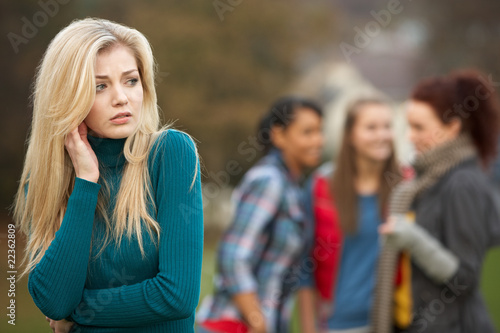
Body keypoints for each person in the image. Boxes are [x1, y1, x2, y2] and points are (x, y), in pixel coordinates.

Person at [13, 18, 203, 333]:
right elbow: (55, 302)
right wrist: (86, 181)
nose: (121, 98)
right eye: (100, 86)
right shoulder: (46, 180)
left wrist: (78, 313)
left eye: (130, 80)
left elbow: (177, 296)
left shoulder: (170, 153)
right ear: (68, 95)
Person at [374, 69, 500, 333]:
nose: (409, 136)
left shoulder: (463, 184)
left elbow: (464, 279)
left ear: (452, 128)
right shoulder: (425, 181)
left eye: (419, 127)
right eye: (409, 126)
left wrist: (412, 239)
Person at [196, 97, 324, 333]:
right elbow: (232, 255)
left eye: (320, 131)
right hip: (234, 324)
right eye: (308, 132)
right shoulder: (269, 181)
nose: (318, 140)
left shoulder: (293, 187)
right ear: (279, 135)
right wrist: (257, 319)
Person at [299, 98, 405, 333]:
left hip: (393, 320)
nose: (382, 135)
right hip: (339, 323)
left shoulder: (406, 185)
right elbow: (305, 266)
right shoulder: (321, 186)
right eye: (371, 127)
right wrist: (309, 327)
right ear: (350, 135)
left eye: (387, 126)